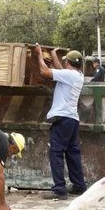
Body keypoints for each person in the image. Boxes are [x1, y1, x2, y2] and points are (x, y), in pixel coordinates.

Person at [34, 44, 88, 200]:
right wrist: (54, 55)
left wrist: (39, 54)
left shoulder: (70, 75)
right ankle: (79, 185)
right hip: (72, 120)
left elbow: (45, 72)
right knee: (72, 153)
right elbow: (61, 71)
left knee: (56, 153)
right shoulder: (77, 75)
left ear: (68, 63)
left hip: (63, 119)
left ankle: (59, 189)